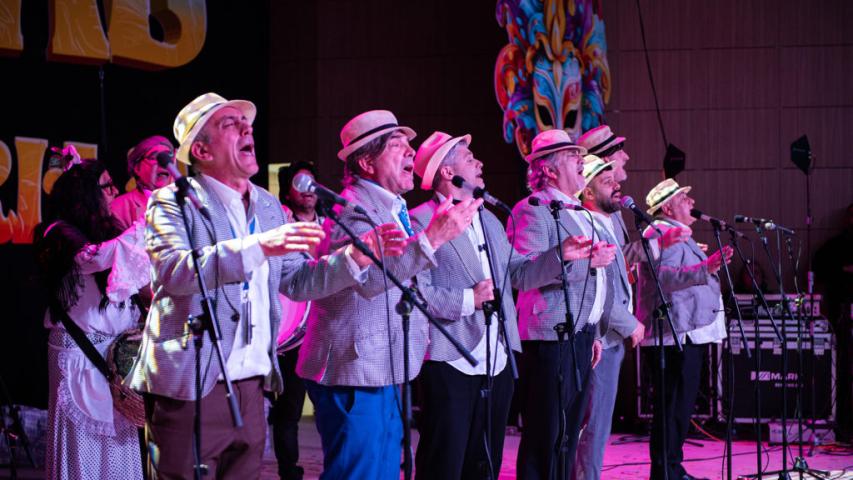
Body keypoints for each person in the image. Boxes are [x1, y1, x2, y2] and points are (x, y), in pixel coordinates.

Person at [127, 93, 404, 479]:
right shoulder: (172, 202)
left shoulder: (268, 206)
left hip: (252, 384)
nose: (247, 129)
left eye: (247, 123)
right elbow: (176, 271)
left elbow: (299, 281)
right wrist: (260, 246)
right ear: (202, 150)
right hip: (192, 384)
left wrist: (353, 258)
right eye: (230, 124)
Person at [296, 110, 482, 479]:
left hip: (384, 366)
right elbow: (367, 281)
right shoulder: (352, 210)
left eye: (408, 144)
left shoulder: (393, 208)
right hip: (354, 370)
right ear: (366, 162)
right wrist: (432, 238)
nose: (411, 151)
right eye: (397, 145)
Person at [409, 131, 578, 479]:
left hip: (497, 357)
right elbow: (416, 292)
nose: (480, 163)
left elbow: (518, 273)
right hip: (450, 356)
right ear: (447, 172)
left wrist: (559, 255)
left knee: (485, 464)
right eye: (470, 159)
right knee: (444, 463)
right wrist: (468, 300)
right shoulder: (421, 220)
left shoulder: (489, 219)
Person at [509, 129, 618, 479]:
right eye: (573, 156)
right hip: (550, 336)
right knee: (546, 437)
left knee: (569, 434)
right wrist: (569, 258)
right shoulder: (532, 209)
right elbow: (521, 274)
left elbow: (593, 280)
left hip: (580, 335)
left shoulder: (580, 212)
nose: (582, 161)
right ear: (550, 169)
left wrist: (594, 332)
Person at [36, 153, 149, 480]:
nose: (114, 191)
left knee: (117, 446)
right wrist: (142, 229)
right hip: (77, 354)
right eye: (106, 186)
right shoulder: (57, 232)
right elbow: (93, 260)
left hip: (113, 356)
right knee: (81, 449)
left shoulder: (109, 229)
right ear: (86, 193)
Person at [636, 178, 732, 480]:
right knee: (673, 407)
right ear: (667, 208)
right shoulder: (661, 232)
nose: (692, 202)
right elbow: (663, 277)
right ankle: (667, 472)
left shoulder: (675, 233)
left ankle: (672, 469)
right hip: (675, 333)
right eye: (683, 198)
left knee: (678, 406)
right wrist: (706, 267)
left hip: (685, 331)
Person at [570, 155, 643, 480]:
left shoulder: (607, 223)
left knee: (597, 424)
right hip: (600, 336)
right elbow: (599, 288)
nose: (616, 186)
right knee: (592, 425)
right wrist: (630, 323)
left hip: (609, 338)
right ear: (587, 191)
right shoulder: (586, 225)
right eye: (606, 181)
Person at [269, 161, 324, 480]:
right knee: (289, 408)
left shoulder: (330, 224)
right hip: (289, 332)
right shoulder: (280, 224)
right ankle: (288, 471)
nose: (308, 191)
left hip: (323, 328)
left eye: (312, 183)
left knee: (326, 405)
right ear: (288, 191)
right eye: (300, 184)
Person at [111, 135, 176, 230]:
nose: (163, 163)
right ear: (137, 168)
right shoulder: (118, 208)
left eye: (167, 156)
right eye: (154, 157)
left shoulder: (185, 203)